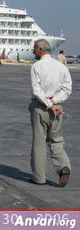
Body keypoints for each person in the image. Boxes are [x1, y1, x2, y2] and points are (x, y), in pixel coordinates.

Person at [28, 39, 72, 187]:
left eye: (35, 48)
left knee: (39, 143)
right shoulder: (61, 67)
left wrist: (48, 103)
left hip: (41, 107)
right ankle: (63, 167)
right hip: (58, 108)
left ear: (41, 50)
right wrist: (54, 102)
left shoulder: (37, 66)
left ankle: (39, 178)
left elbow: (37, 90)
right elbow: (67, 89)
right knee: (57, 141)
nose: (33, 51)